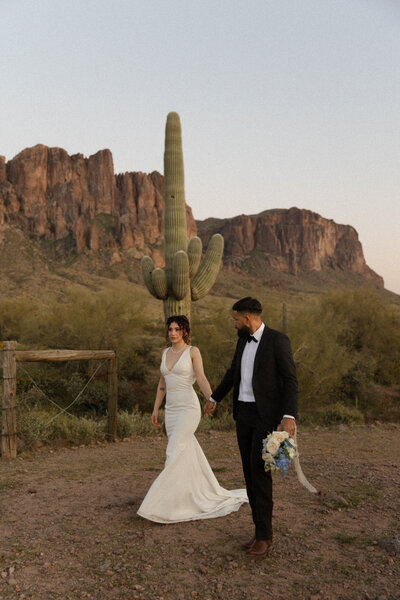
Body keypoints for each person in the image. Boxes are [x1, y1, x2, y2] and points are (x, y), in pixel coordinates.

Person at [204, 297, 298, 557]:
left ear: (247, 318)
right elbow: (233, 372)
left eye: (236, 319)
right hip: (242, 415)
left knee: (259, 473)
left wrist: (289, 416)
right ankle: (258, 531)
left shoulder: (278, 340)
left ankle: (264, 537)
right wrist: (214, 397)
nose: (234, 324)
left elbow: (290, 379)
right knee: (248, 473)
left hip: (266, 416)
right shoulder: (242, 340)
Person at [137, 314, 248, 523]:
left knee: (174, 450)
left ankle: (162, 503)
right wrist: (155, 409)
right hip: (171, 411)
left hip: (189, 408)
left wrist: (212, 398)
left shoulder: (192, 352)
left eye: (177, 329)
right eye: (170, 329)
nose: (173, 333)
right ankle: (186, 496)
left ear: (185, 331)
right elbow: (162, 384)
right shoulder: (164, 353)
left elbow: (202, 378)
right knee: (183, 451)